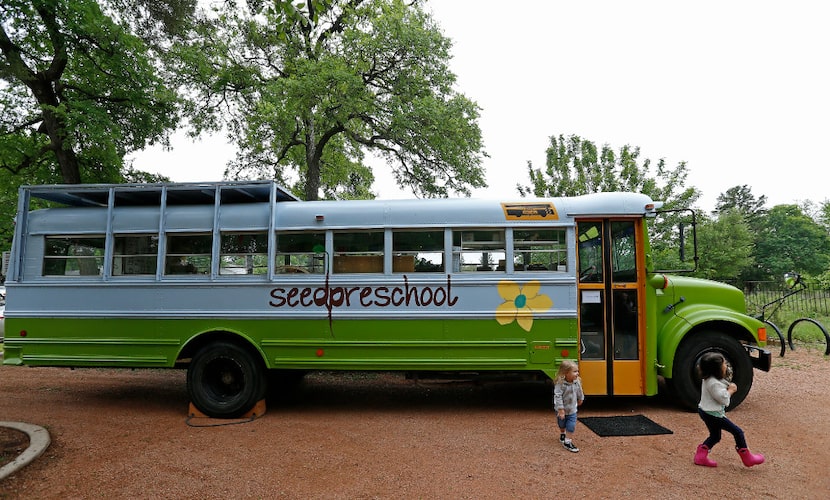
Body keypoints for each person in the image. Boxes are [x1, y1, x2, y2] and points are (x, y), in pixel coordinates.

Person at [694, 352, 765, 467]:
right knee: (738, 432)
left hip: (705, 411)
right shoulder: (713, 384)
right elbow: (723, 399)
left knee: (715, 436)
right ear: (716, 369)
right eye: (724, 365)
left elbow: (720, 384)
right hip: (713, 414)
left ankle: (701, 456)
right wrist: (730, 390)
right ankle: (747, 457)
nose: (726, 366)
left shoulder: (708, 378)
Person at [553, 360, 584, 453]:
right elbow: (557, 396)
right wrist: (561, 409)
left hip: (572, 409)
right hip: (561, 409)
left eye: (577, 371)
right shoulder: (560, 384)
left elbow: (579, 390)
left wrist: (581, 398)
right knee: (561, 424)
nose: (577, 373)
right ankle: (562, 433)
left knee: (571, 425)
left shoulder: (576, 382)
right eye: (574, 371)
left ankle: (568, 441)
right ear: (566, 373)